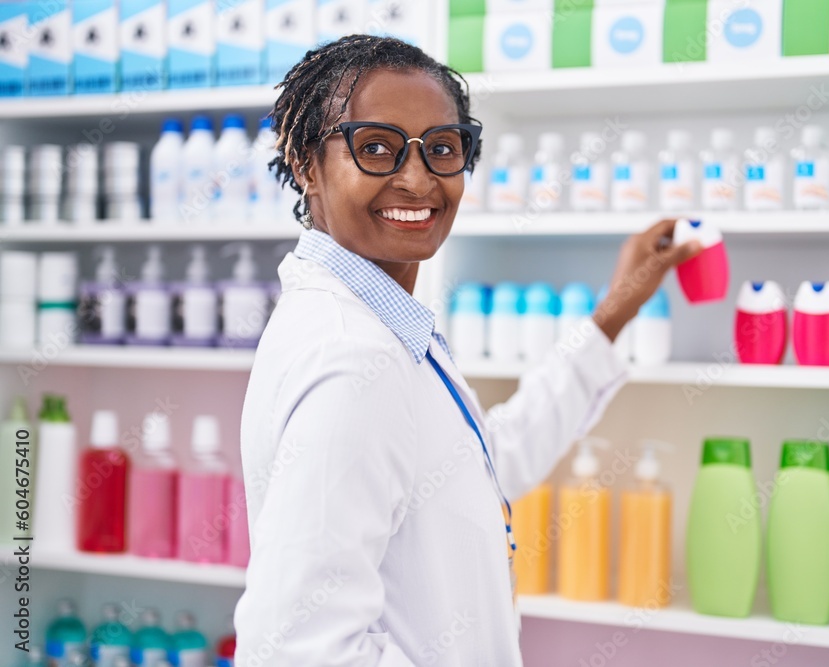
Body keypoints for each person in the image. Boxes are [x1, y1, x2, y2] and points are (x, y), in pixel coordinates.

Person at [235, 34, 701, 666]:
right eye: (376, 147)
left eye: (443, 150)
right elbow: (299, 648)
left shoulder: (382, 325)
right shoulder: (352, 359)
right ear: (306, 163)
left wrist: (617, 307)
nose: (417, 179)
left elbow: (480, 465)